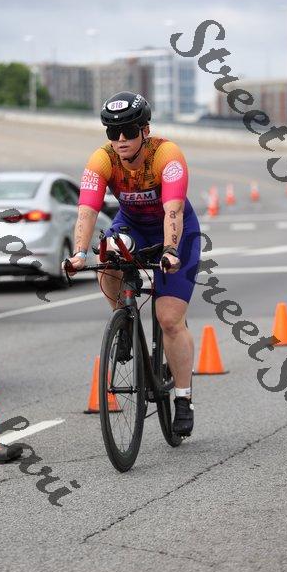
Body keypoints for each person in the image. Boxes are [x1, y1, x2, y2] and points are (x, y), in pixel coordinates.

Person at [63, 91, 201, 436]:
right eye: (113, 132)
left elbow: (173, 210)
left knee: (169, 319)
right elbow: (87, 210)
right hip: (132, 226)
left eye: (128, 131)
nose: (121, 139)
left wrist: (170, 250)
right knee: (107, 253)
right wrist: (79, 253)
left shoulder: (167, 155)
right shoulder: (102, 159)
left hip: (175, 230)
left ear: (145, 130)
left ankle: (183, 398)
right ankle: (122, 320)